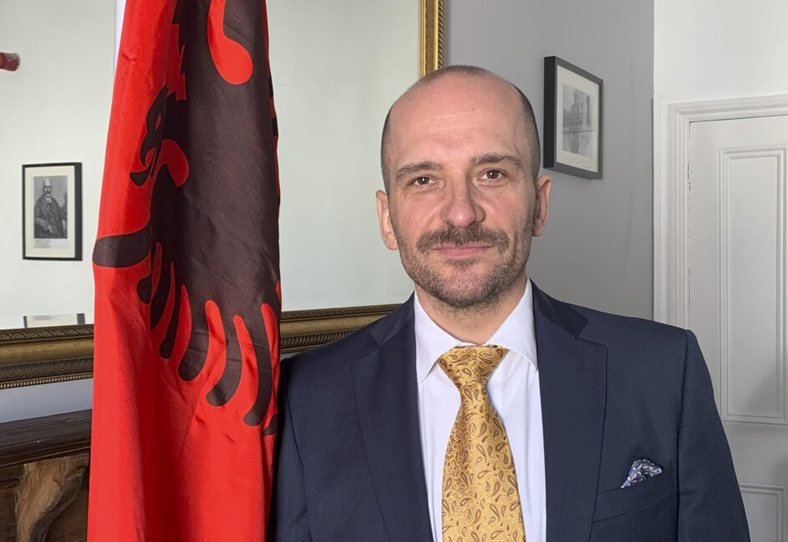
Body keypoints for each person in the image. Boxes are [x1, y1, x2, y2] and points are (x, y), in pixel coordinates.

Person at [270, 66, 750, 541]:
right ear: (386, 218)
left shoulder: (662, 371)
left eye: (492, 173)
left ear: (539, 204)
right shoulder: (306, 399)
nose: (461, 212)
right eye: (423, 180)